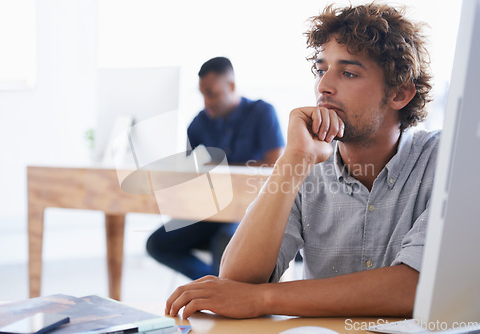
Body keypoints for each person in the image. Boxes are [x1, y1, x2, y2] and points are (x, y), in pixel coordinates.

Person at [166, 3, 439, 319]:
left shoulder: (443, 162)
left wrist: (263, 299)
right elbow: (235, 283)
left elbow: (415, 287)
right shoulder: (305, 166)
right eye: (322, 70)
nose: (323, 87)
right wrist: (293, 160)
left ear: (400, 94)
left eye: (348, 73)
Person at [147, 57, 285, 280]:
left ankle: (218, 289)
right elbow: (185, 166)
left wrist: (220, 169)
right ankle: (210, 283)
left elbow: (276, 164)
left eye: (212, 94)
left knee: (224, 242)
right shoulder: (201, 122)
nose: (206, 102)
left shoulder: (262, 113)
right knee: (157, 244)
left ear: (231, 86)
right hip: (210, 211)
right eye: (202, 94)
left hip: (249, 212)